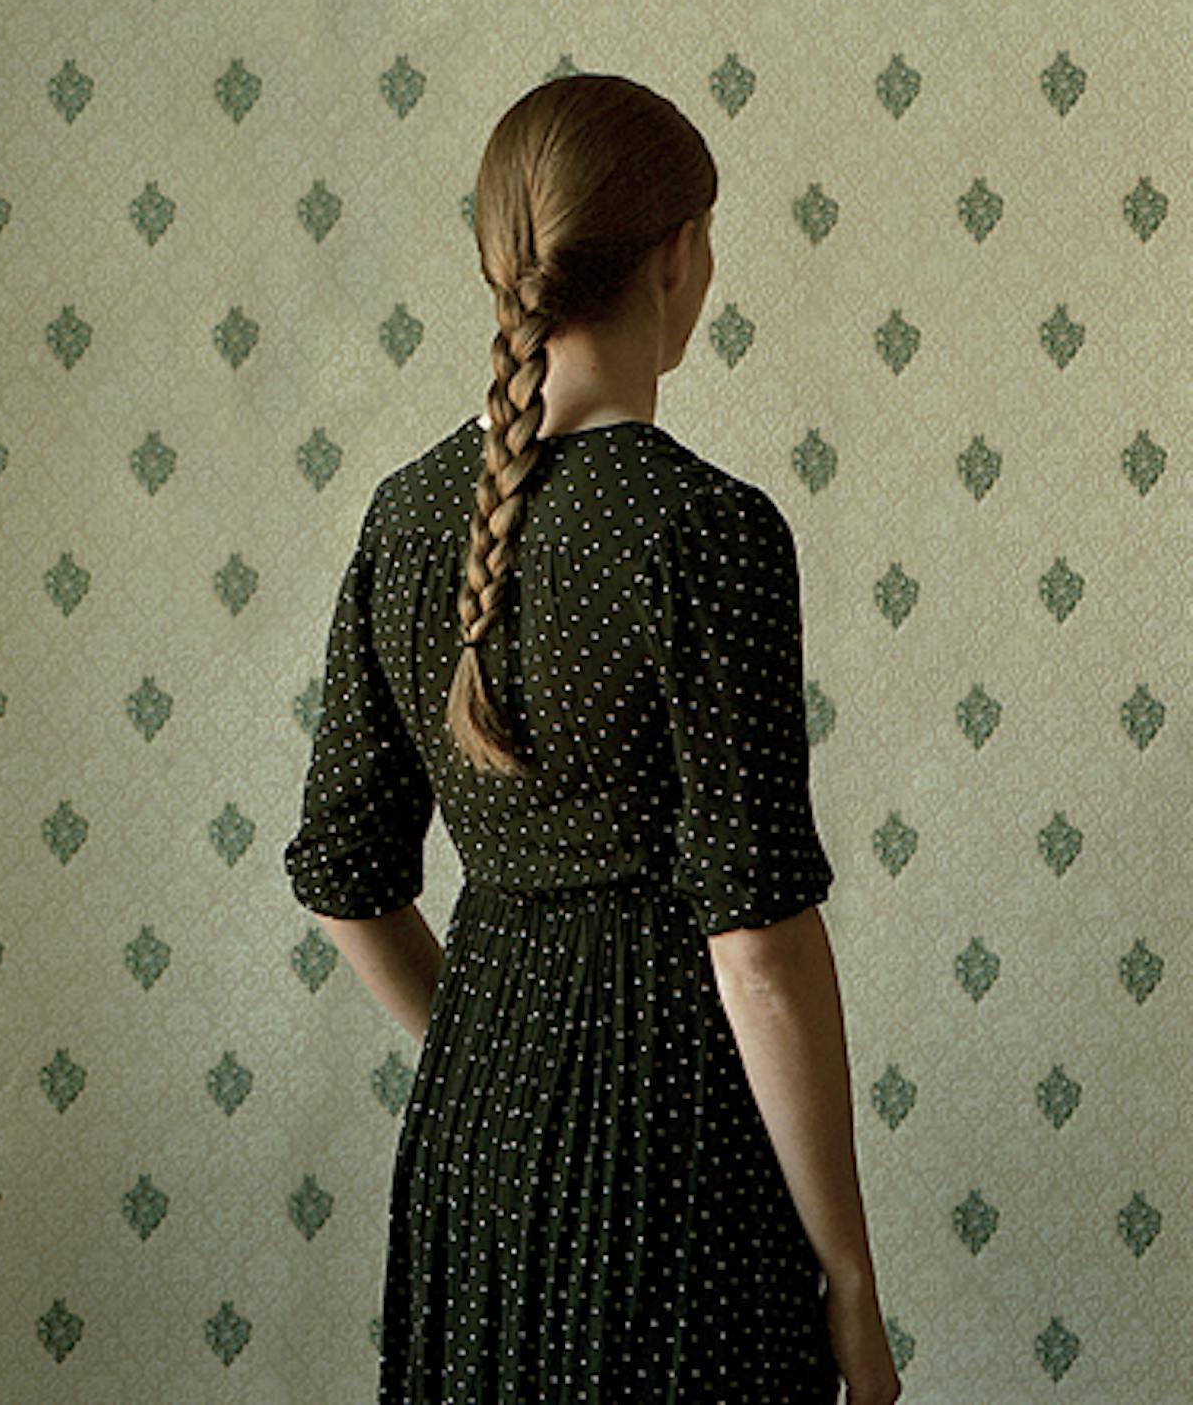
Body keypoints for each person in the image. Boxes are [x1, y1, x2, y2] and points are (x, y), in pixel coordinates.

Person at [283, 74, 901, 1403]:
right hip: (673, 1160)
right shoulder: (706, 531)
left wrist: (495, 1051)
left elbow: (342, 876)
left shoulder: (403, 517)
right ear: (678, 253)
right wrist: (850, 1275)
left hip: (474, 1142)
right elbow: (761, 951)